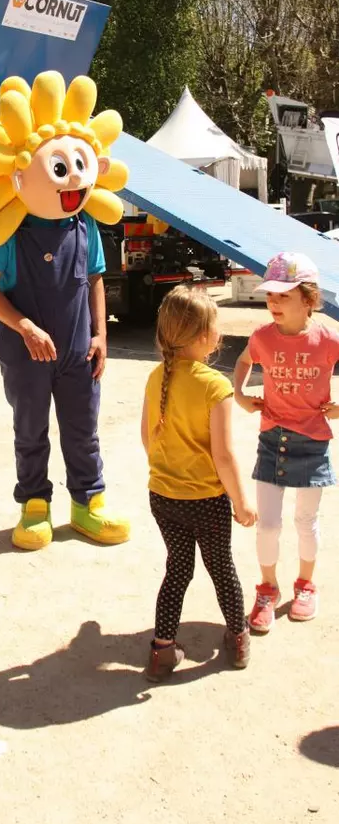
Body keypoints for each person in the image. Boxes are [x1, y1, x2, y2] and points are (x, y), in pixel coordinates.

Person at [0, 71, 130, 551]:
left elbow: (95, 277)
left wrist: (101, 336)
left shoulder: (84, 224)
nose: (74, 177)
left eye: (80, 164)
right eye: (61, 167)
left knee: (83, 430)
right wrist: (23, 325)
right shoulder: (7, 229)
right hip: (24, 351)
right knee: (30, 430)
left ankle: (87, 504)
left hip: (78, 350)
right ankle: (34, 506)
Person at [141, 286, 256, 682]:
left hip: (163, 496)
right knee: (222, 567)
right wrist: (241, 502)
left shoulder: (157, 376)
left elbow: (147, 439)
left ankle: (161, 652)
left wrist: (167, 474)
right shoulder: (215, 386)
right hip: (206, 500)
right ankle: (238, 637)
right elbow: (223, 456)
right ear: (202, 336)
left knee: (178, 569)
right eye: (216, 327)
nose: (219, 335)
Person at [233, 252, 339, 632]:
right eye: (270, 295)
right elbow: (244, 362)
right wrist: (241, 394)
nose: (273, 303)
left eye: (284, 296)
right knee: (268, 526)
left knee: (305, 521)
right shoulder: (262, 336)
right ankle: (267, 589)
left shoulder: (328, 338)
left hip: (313, 441)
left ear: (308, 299)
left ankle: (305, 585)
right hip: (271, 439)